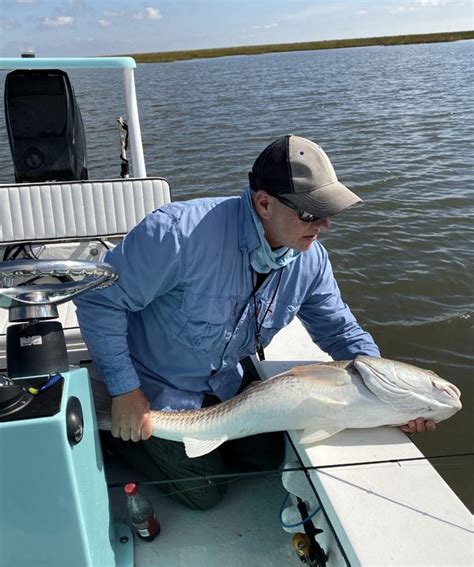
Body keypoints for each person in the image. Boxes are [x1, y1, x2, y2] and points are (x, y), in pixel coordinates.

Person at [74, 134, 434, 510]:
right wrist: (125, 391)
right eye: (311, 213)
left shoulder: (310, 260)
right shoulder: (178, 233)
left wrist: (391, 398)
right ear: (264, 203)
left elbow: (340, 331)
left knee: (265, 458)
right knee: (206, 494)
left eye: (329, 211)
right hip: (156, 385)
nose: (324, 224)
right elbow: (97, 300)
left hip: (227, 381)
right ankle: (116, 435)